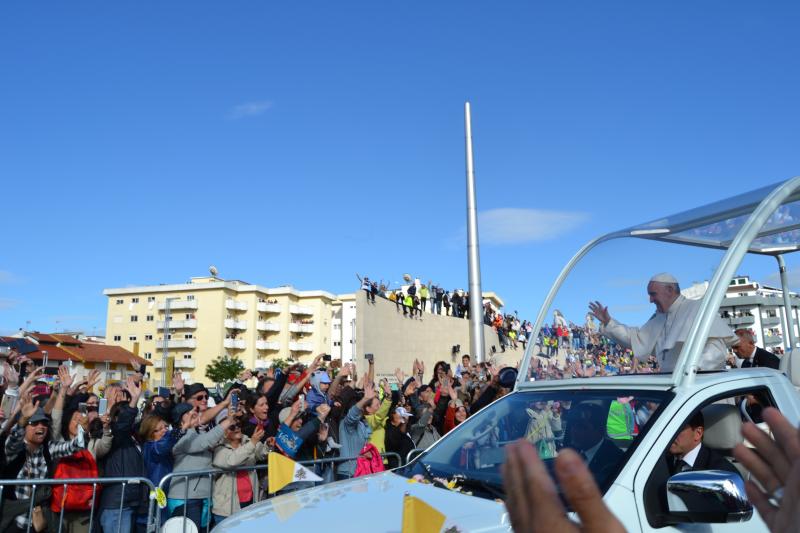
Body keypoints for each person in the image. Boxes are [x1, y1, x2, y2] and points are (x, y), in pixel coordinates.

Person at [589, 273, 736, 372]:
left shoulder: (697, 308)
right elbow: (635, 339)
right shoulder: (659, 318)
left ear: (670, 290)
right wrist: (609, 322)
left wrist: (688, 371)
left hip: (701, 394)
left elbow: (716, 351)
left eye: (653, 294)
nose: (650, 300)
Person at [3, 398, 87, 533]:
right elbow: (11, 444)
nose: (41, 426)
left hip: (38, 520)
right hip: (14, 520)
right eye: (34, 423)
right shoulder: (16, 450)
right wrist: (22, 420)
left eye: (44, 423)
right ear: (25, 427)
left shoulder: (49, 448)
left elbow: (74, 446)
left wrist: (83, 429)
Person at [565, 404, 624, 483]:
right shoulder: (572, 450)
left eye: (581, 427)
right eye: (573, 425)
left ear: (600, 431)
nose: (573, 431)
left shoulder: (614, 460)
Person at [666, 411, 737, 475]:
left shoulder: (720, 473)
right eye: (667, 428)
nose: (671, 434)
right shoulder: (662, 459)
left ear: (698, 433)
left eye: (678, 429)